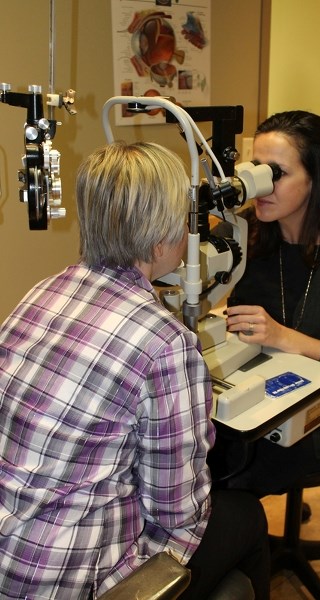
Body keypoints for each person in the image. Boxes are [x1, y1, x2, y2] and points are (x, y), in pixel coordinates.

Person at [0, 141, 269, 599]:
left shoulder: (41, 293)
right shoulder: (166, 343)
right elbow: (175, 509)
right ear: (162, 239)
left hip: (10, 558)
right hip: (67, 581)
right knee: (246, 516)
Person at [212, 110, 320, 496]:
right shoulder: (247, 233)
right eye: (256, 169)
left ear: (316, 180)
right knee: (190, 453)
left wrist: (282, 336)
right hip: (259, 399)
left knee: (229, 480)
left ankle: (247, 550)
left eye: (276, 173)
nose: (261, 186)